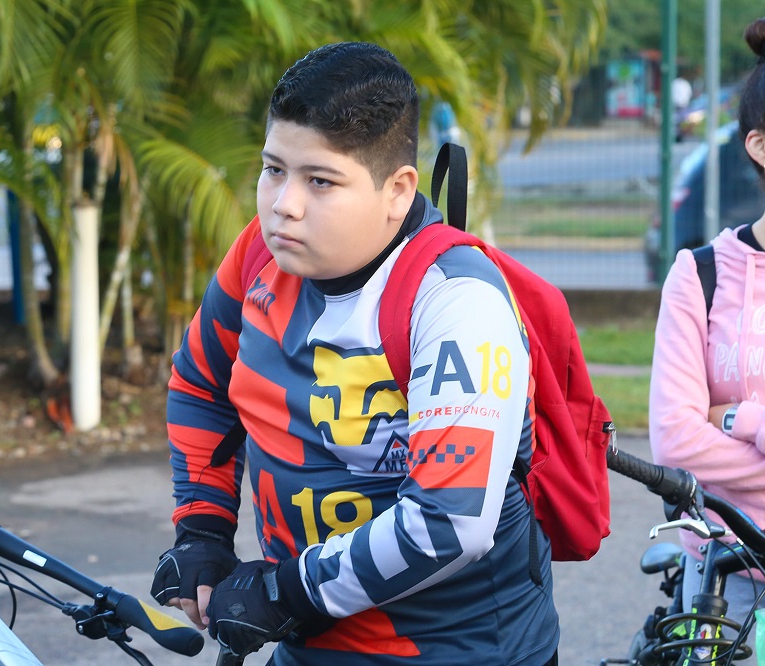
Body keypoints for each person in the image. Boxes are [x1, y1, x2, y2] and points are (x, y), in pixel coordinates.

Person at [149, 42, 559, 665]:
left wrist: (286, 592)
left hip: (458, 653)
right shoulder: (260, 254)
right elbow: (202, 385)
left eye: (320, 180)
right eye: (273, 169)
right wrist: (202, 527)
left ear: (397, 190)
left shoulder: (457, 300)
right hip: (307, 644)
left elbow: (449, 522)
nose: (284, 204)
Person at [649, 17, 765, 656]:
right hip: (724, 577)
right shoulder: (700, 274)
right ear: (759, 146)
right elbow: (674, 439)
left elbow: (702, 431)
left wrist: (736, 417)